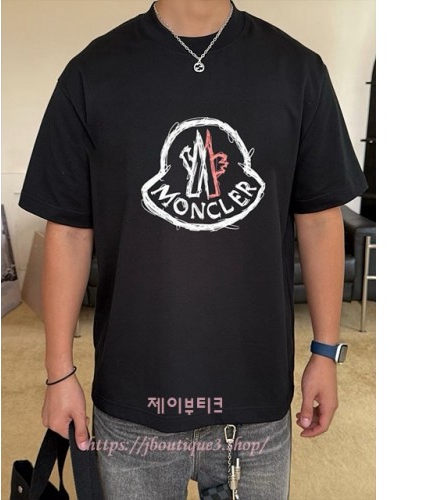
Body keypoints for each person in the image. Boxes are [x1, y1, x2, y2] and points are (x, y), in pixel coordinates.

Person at [19, 0, 368, 498]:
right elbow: (69, 231)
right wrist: (59, 374)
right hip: (134, 402)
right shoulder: (91, 74)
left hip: (255, 403)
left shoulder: (298, 71)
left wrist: (326, 352)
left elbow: (319, 219)